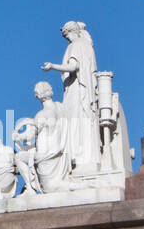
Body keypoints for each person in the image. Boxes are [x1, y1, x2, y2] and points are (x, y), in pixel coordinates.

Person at [41, 21, 102, 175]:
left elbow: (73, 67)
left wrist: (52, 66)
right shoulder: (87, 46)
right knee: (84, 124)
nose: (67, 39)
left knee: (76, 124)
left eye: (66, 35)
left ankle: (79, 159)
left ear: (70, 32)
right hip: (85, 91)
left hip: (77, 90)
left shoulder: (75, 46)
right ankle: (88, 158)